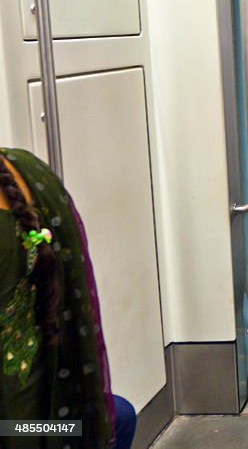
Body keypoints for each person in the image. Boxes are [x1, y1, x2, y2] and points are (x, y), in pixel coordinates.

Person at [0, 148, 136, 448]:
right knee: (115, 418)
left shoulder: (27, 177)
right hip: (23, 422)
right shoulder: (27, 174)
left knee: (121, 416)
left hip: (22, 423)